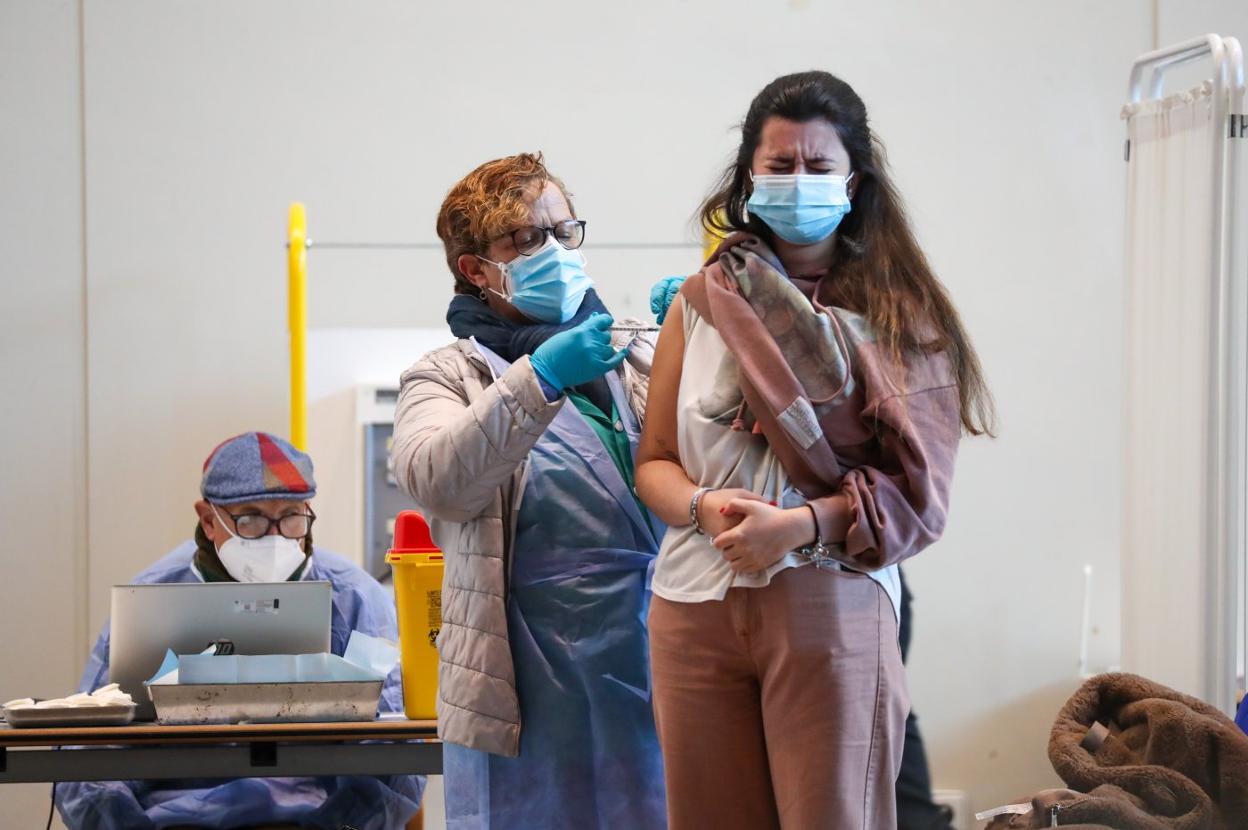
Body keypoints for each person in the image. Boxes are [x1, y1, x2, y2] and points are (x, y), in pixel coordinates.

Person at [636, 70, 994, 830]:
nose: (798, 182)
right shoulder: (703, 303)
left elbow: (917, 496)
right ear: (749, 178)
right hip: (694, 603)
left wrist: (796, 527)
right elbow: (656, 461)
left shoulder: (901, 319)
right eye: (780, 166)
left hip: (830, 595)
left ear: (853, 181)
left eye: (818, 167)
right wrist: (705, 508)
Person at [391, 153, 666, 829]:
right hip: (524, 687)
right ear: (475, 270)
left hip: (656, 662)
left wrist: (721, 336)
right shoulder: (448, 376)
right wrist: (537, 379)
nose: (554, 252)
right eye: (524, 240)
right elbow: (437, 481)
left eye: (563, 232)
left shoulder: (637, 355)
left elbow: (740, 459)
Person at [55, 431, 425, 830]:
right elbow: (87, 750)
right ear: (208, 519)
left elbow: (395, 746)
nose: (275, 536)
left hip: (315, 819)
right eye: (250, 518)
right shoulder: (151, 600)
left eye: (291, 516)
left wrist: (339, 823)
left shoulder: (354, 599)